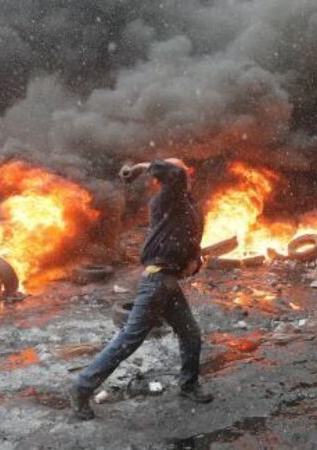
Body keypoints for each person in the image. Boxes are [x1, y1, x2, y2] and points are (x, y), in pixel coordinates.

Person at [69, 158, 211, 420]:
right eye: (180, 170)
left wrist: (195, 261)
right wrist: (137, 169)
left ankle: (189, 384)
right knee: (129, 340)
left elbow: (191, 240)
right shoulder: (166, 199)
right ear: (164, 179)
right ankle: (82, 387)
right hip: (157, 281)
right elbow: (174, 172)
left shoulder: (186, 204)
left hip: (169, 282)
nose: (186, 173)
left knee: (190, 333)